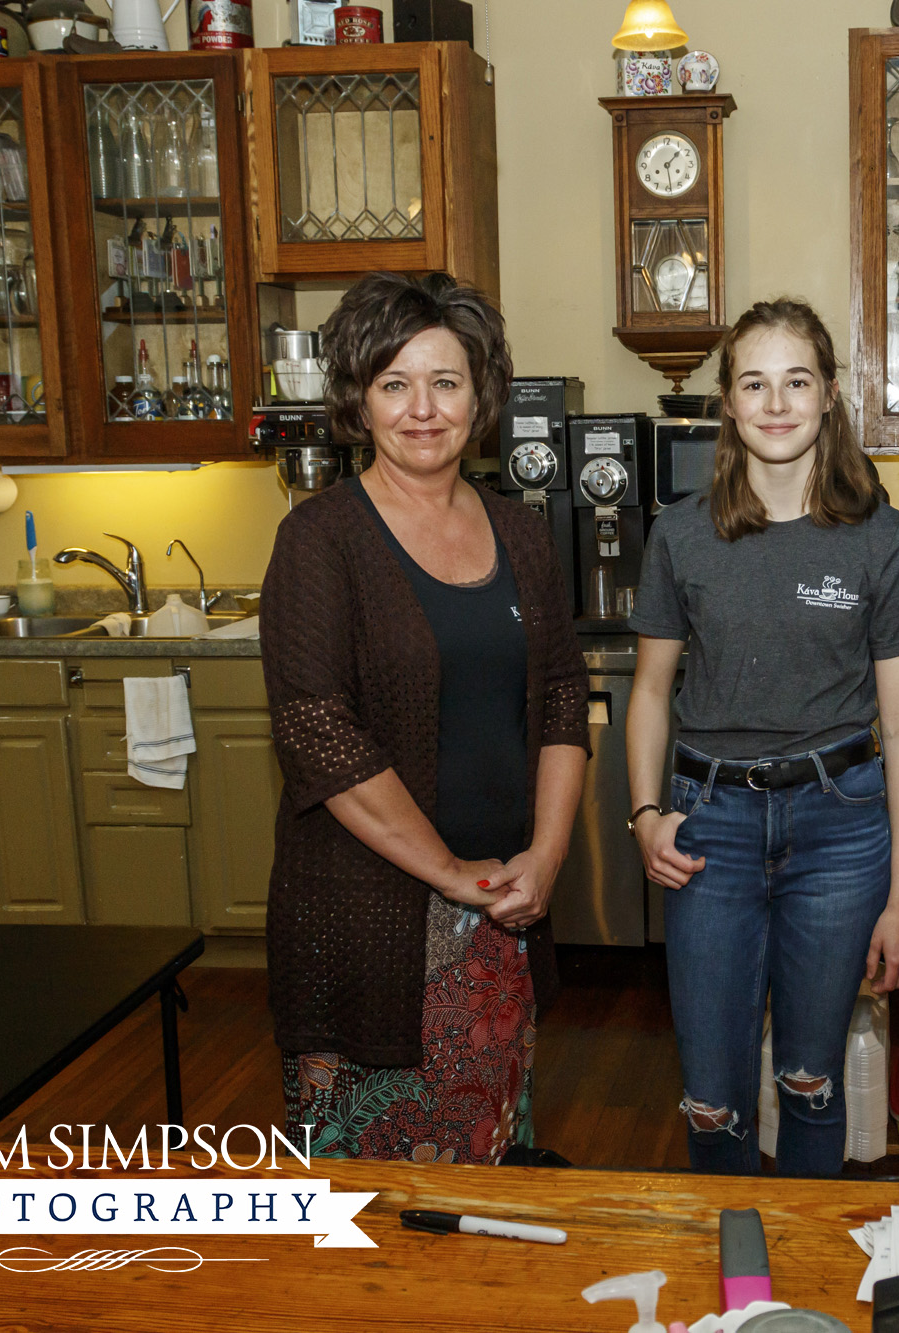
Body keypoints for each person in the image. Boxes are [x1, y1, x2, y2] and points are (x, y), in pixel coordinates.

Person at [260, 271, 589, 1163]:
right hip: (373, 924)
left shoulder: (520, 532)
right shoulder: (320, 539)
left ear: (479, 395)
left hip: (506, 906)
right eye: (394, 384)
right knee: (376, 1198)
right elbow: (317, 731)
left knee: (488, 1161)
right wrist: (449, 872)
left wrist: (546, 857)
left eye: (445, 382)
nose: (422, 409)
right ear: (359, 400)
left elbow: (562, 692)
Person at [626, 298, 899, 1176]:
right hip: (707, 826)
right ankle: (728, 1285)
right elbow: (651, 691)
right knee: (712, 1096)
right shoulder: (682, 533)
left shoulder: (880, 539)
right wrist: (646, 813)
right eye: (754, 383)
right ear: (727, 402)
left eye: (796, 382)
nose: (776, 403)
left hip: (841, 830)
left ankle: (795, 1284)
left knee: (812, 1078)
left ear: (830, 396)